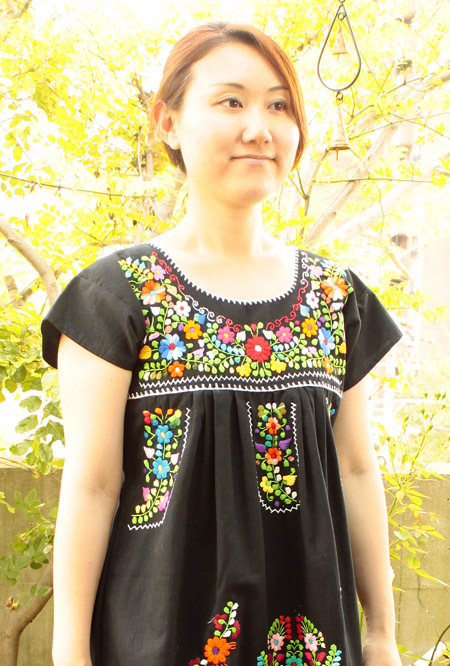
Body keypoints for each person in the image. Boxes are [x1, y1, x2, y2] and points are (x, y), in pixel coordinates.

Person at [42, 22, 403, 666]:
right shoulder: (116, 295)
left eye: (279, 105)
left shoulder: (334, 297)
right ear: (168, 122)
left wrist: (381, 635)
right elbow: (92, 484)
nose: (259, 128)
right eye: (231, 101)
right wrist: (70, 653)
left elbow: (355, 469)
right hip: (157, 638)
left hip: (312, 642)